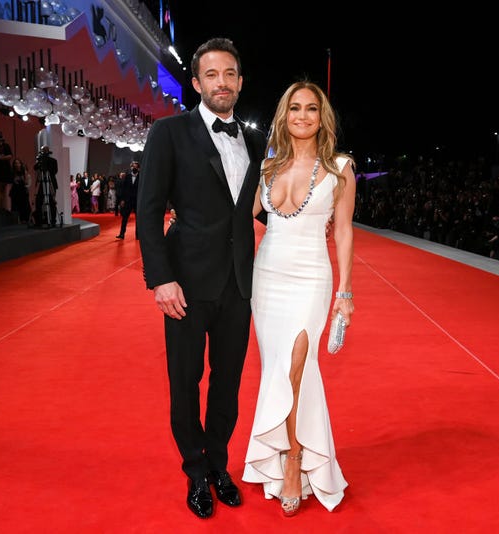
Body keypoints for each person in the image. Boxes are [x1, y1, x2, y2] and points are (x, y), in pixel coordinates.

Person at [136, 37, 266, 519]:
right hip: (185, 284)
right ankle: (194, 471)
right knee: (186, 381)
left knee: (228, 383)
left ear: (240, 80)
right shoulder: (169, 133)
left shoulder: (255, 139)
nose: (222, 83)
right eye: (211, 75)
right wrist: (160, 279)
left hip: (239, 284)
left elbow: (263, 207)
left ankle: (218, 464)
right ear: (196, 83)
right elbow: (148, 212)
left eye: (230, 74)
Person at [242, 80, 354, 516]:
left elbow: (343, 231)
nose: (302, 116)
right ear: (283, 116)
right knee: (278, 370)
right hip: (266, 277)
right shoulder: (267, 168)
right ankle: (290, 454)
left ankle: (293, 463)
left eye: (311, 108)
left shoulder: (341, 167)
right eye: (294, 108)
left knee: (296, 364)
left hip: (311, 276)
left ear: (321, 117)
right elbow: (239, 214)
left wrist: (345, 291)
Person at [33, 146, 58, 227]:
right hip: (42, 183)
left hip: (50, 183)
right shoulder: (40, 160)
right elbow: (35, 168)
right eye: (42, 150)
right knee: (38, 202)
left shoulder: (53, 161)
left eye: (44, 150)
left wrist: (45, 162)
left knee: (52, 202)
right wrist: (40, 161)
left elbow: (54, 171)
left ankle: (53, 221)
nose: (43, 152)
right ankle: (39, 221)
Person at [115, 161, 140, 240]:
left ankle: (138, 235)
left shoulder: (141, 177)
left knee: (138, 219)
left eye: (136, 167)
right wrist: (122, 200)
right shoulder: (128, 176)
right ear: (131, 168)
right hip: (128, 200)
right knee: (125, 218)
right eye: (133, 167)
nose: (134, 168)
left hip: (137, 201)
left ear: (138, 168)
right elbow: (124, 189)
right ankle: (122, 234)